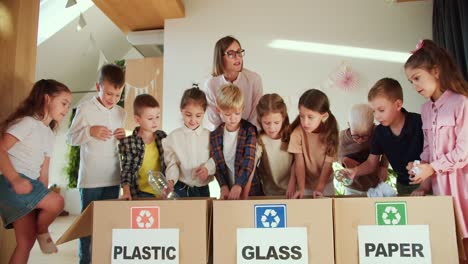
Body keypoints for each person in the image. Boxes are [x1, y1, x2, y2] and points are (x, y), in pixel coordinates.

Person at [404, 39, 468, 259]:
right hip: (441, 189)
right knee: (449, 246)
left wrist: (432, 167)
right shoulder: (426, 109)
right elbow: (428, 150)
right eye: (410, 81)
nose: (414, 86)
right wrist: (423, 179)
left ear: (436, 71)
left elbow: (464, 151)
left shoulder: (461, 103)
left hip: (463, 186)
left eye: (417, 78)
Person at [0, 79, 71, 263]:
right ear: (47, 99)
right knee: (57, 202)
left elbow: (44, 171)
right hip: (10, 183)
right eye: (63, 103)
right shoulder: (27, 123)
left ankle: (39, 230)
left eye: (68, 105)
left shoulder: (48, 133)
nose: (66, 108)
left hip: (28, 186)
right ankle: (42, 229)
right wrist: (15, 179)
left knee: (25, 242)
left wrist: (42, 194)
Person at [66, 64, 126, 264]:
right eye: (109, 93)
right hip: (90, 179)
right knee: (87, 227)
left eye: (118, 95)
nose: (113, 99)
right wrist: (90, 131)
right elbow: (70, 138)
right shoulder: (84, 109)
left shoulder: (121, 113)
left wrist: (122, 136)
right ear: (97, 86)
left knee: (108, 225)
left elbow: (120, 143)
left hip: (113, 178)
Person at [344, 78, 424, 195]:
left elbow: (435, 155)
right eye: (373, 111)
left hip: (427, 182)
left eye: (381, 110)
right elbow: (371, 163)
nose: (377, 116)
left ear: (398, 105)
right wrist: (355, 171)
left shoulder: (419, 123)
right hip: (402, 184)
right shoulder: (379, 132)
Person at [210, 84, 263, 199]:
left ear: (242, 109)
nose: (232, 118)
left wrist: (239, 184)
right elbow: (217, 164)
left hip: (251, 191)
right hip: (228, 191)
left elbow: (249, 160)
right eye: (227, 114)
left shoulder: (249, 130)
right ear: (218, 110)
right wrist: (223, 186)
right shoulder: (215, 136)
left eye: (237, 113)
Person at [162, 87, 215, 197]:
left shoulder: (210, 136)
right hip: (180, 188)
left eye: (198, 116)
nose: (193, 120)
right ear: (181, 110)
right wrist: (171, 181)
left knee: (202, 214)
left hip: (202, 189)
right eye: (188, 115)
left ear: (204, 112)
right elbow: (172, 164)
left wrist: (207, 169)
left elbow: (215, 159)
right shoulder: (173, 138)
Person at [287, 89, 339, 198]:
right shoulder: (297, 133)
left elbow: (327, 164)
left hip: (326, 184)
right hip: (304, 183)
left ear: (324, 116)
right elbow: (299, 163)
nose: (305, 122)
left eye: (310, 117)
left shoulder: (331, 132)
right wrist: (301, 188)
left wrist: (320, 188)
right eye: (302, 116)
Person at [205, 35, 263, 130]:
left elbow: (255, 117)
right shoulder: (211, 83)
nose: (237, 57)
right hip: (222, 134)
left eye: (239, 52)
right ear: (220, 57)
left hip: (249, 133)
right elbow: (215, 120)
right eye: (231, 53)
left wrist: (246, 137)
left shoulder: (254, 79)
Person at [119, 94, 166, 199]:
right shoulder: (130, 142)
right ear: (137, 119)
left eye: (157, 117)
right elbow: (127, 170)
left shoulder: (162, 137)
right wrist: (126, 192)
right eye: (150, 118)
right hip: (141, 193)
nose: (155, 122)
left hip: (163, 193)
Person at [338, 104, 388, 195]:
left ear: (372, 126)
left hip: (374, 185)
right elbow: (334, 154)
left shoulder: (377, 134)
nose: (360, 140)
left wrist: (384, 166)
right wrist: (343, 160)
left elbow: (386, 149)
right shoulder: (342, 138)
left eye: (365, 136)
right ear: (349, 125)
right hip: (352, 186)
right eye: (355, 136)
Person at [255, 93, 293, 196]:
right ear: (260, 120)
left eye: (276, 123)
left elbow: (298, 165)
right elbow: (252, 166)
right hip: (269, 194)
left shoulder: (292, 136)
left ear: (283, 118)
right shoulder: (260, 139)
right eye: (267, 123)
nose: (272, 128)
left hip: (293, 193)